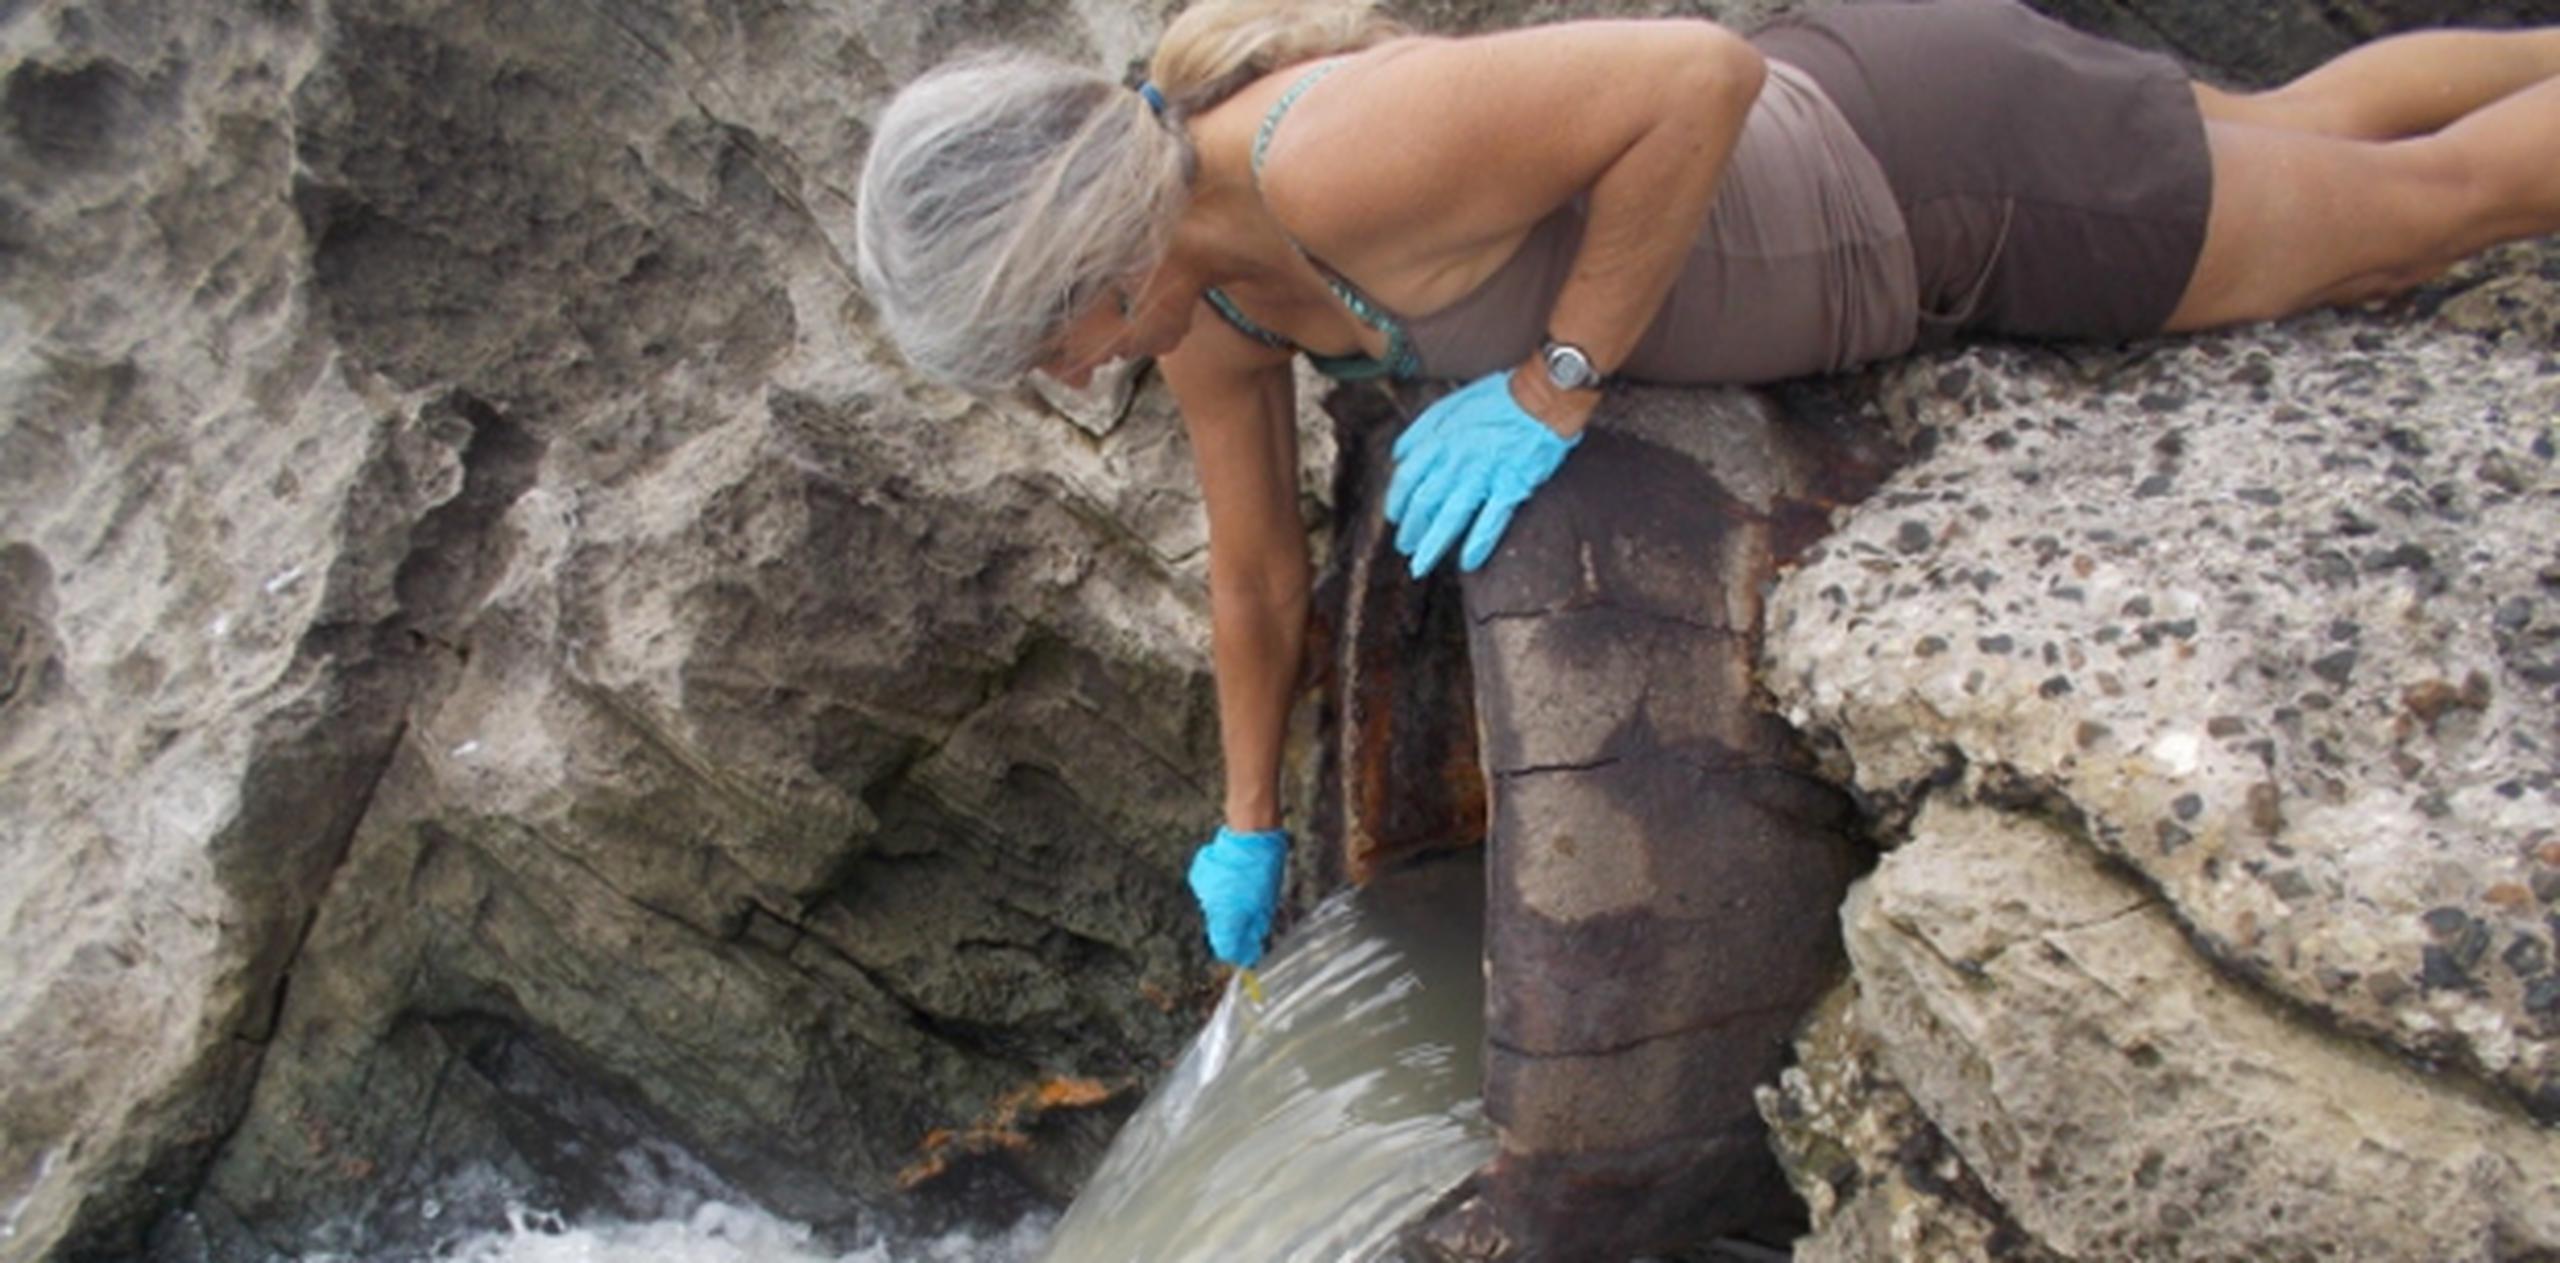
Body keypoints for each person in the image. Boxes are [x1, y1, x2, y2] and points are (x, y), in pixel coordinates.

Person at [856, 0, 2560, 970]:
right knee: (2306, 132)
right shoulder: (1210, 303)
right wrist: (1246, 824)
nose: (1069, 377)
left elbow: (1694, 74)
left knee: (2420, 217)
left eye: (1047, 341)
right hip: (1904, 130)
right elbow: (1256, 585)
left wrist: (1556, 382)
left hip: (1930, 187)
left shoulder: (1329, 156)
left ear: (1092, 246)